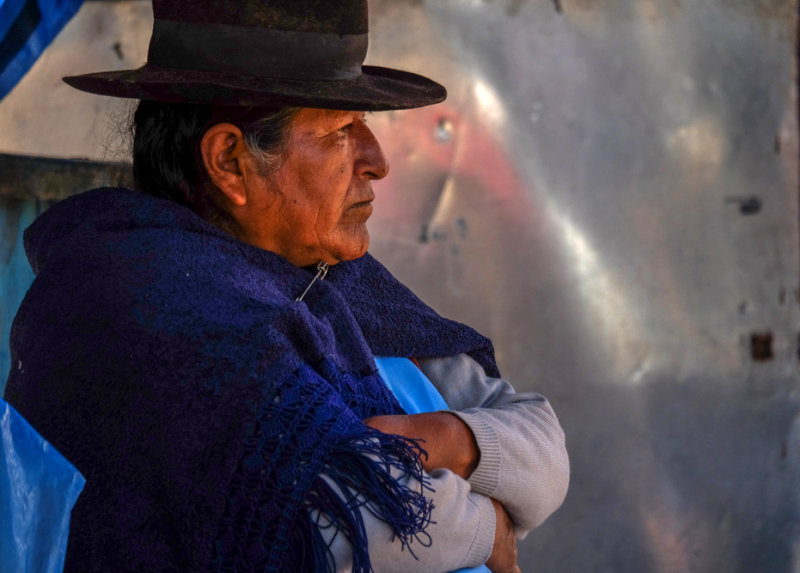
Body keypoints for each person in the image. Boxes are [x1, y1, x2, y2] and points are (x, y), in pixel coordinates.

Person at [3, 0, 569, 571]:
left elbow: (544, 447)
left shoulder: (338, 286)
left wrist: (452, 440)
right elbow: (348, 522)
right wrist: (488, 525)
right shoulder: (140, 309)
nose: (377, 160)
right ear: (229, 161)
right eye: (339, 131)